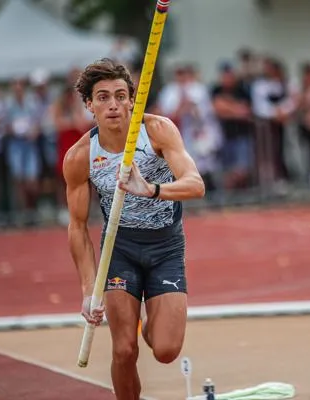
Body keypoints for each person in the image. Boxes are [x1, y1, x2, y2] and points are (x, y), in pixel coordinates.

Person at [63, 58, 205, 400]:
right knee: (124, 350)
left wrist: (151, 189)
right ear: (89, 105)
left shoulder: (157, 130)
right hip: (120, 249)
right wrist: (88, 289)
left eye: (120, 95)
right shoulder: (81, 155)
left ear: (132, 99)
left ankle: (147, 317)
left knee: (166, 349)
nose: (113, 104)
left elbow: (196, 184)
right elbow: (78, 227)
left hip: (165, 247)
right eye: (103, 97)